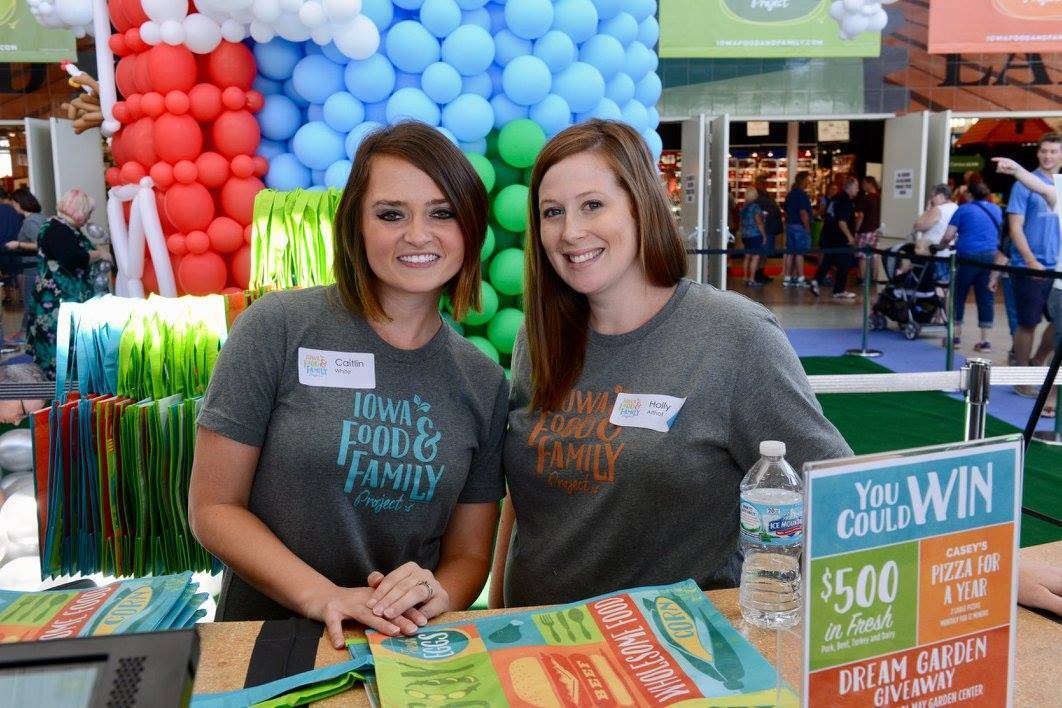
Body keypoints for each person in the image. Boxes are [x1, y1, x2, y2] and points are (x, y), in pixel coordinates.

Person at [488, 120, 850, 608]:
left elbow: (834, 494)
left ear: (641, 205)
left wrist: (773, 614)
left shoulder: (735, 337)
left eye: (593, 205)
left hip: (674, 663)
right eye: (553, 212)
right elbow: (524, 493)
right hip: (538, 647)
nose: (571, 232)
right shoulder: (540, 336)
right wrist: (498, 608)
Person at [188, 122, 508, 649]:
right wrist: (324, 596)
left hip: (405, 650)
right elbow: (214, 508)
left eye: (441, 212)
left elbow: (469, 556)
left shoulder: (483, 381)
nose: (419, 235)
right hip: (266, 641)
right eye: (391, 214)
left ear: (469, 228)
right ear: (356, 225)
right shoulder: (279, 327)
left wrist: (438, 592)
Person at [994, 155, 1060, 416]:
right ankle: (1026, 377)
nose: (1049, 156)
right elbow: (1041, 188)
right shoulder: (1040, 188)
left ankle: (1038, 367)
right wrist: (1018, 169)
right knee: (1028, 322)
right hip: (1031, 268)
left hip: (1055, 271)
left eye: (1055, 151)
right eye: (1045, 150)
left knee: (1058, 329)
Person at [26, 190, 110, 378]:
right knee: (62, 347)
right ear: (80, 211)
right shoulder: (58, 229)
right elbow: (73, 258)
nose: (89, 218)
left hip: (61, 299)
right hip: (59, 301)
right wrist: (100, 254)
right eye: (88, 213)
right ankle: (63, 392)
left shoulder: (61, 227)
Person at [940, 181, 1002, 351]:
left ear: (969, 195)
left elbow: (948, 235)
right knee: (986, 298)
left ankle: (955, 337)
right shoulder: (996, 209)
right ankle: (985, 341)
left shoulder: (963, 209)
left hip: (967, 257)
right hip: (991, 257)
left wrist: (940, 246)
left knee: (958, 295)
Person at [6, 188, 46, 343]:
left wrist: (18, 244)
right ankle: (25, 332)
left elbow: (40, 245)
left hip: (32, 267)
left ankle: (26, 335)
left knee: (30, 300)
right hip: (36, 266)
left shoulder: (31, 221)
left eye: (14, 203)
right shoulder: (39, 217)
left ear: (19, 203)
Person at [810, 177, 860, 299]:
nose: (858, 190)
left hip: (829, 236)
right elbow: (842, 222)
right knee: (844, 263)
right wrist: (850, 237)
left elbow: (828, 215)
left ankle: (816, 280)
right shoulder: (846, 201)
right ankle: (839, 290)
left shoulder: (835, 198)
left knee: (828, 260)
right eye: (856, 187)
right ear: (850, 187)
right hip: (840, 239)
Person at [783, 171, 813, 288]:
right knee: (800, 253)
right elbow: (803, 213)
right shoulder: (801, 195)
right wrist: (807, 228)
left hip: (790, 225)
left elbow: (786, 210)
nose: (808, 182)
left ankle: (787, 277)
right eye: (807, 180)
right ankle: (800, 277)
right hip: (799, 226)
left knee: (790, 253)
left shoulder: (790, 194)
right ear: (803, 180)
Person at [753, 175, 782, 283]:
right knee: (762, 253)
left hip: (769, 227)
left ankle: (760, 272)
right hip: (765, 228)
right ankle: (757, 273)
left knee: (764, 253)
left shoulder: (765, 196)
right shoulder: (759, 197)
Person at [854, 176, 882, 284]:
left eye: (863, 184)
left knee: (862, 256)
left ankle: (863, 279)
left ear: (869, 184)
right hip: (876, 230)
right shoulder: (879, 198)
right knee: (875, 255)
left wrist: (856, 230)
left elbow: (860, 216)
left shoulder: (866, 198)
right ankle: (875, 279)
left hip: (865, 230)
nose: (862, 187)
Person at [739, 187, 767, 287]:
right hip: (755, 235)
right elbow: (759, 222)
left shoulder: (744, 207)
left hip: (745, 235)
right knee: (755, 257)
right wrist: (764, 235)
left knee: (747, 256)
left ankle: (745, 278)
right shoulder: (756, 207)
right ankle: (751, 279)